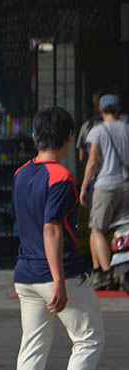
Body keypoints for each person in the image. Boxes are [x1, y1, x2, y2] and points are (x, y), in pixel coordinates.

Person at [12, 107, 106, 370]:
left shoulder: (21, 173)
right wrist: (60, 281)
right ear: (68, 139)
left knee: (32, 347)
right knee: (90, 338)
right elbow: (51, 228)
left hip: (25, 273)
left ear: (35, 137)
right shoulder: (63, 178)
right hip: (56, 271)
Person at [79, 94, 129, 289]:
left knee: (97, 229)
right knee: (123, 227)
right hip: (125, 184)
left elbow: (92, 162)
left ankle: (108, 273)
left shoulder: (98, 131)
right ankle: (123, 267)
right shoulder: (126, 128)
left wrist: (84, 186)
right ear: (117, 110)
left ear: (100, 110)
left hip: (105, 185)